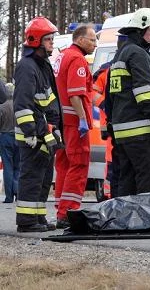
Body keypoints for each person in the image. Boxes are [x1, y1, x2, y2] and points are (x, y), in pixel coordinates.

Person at [108, 8, 150, 196]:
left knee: (128, 180)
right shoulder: (138, 54)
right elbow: (144, 92)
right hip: (142, 130)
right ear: (140, 30)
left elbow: (112, 95)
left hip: (123, 131)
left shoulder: (121, 54)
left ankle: (125, 221)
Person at [14, 16, 63, 232]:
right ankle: (26, 221)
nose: (52, 43)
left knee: (43, 179)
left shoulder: (42, 66)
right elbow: (22, 103)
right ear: (36, 41)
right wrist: (30, 131)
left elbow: (50, 100)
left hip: (45, 132)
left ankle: (38, 217)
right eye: (49, 39)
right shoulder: (27, 66)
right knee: (32, 177)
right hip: (33, 135)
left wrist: (56, 125)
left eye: (52, 39)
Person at [53, 24, 96, 228]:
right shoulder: (77, 59)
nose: (95, 44)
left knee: (63, 164)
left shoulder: (62, 56)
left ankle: (60, 209)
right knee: (78, 164)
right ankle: (68, 211)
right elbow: (75, 93)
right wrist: (81, 119)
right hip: (73, 122)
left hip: (61, 121)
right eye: (92, 39)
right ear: (80, 40)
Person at [93, 34, 128, 199]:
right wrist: (104, 104)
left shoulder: (133, 65)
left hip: (125, 122)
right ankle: (109, 195)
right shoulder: (106, 70)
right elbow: (93, 91)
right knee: (111, 161)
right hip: (109, 123)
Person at [0, 83, 20, 203]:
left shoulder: (2, 107)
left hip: (5, 137)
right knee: (18, 167)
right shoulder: (19, 105)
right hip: (18, 137)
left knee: (8, 166)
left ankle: (9, 197)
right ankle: (17, 193)